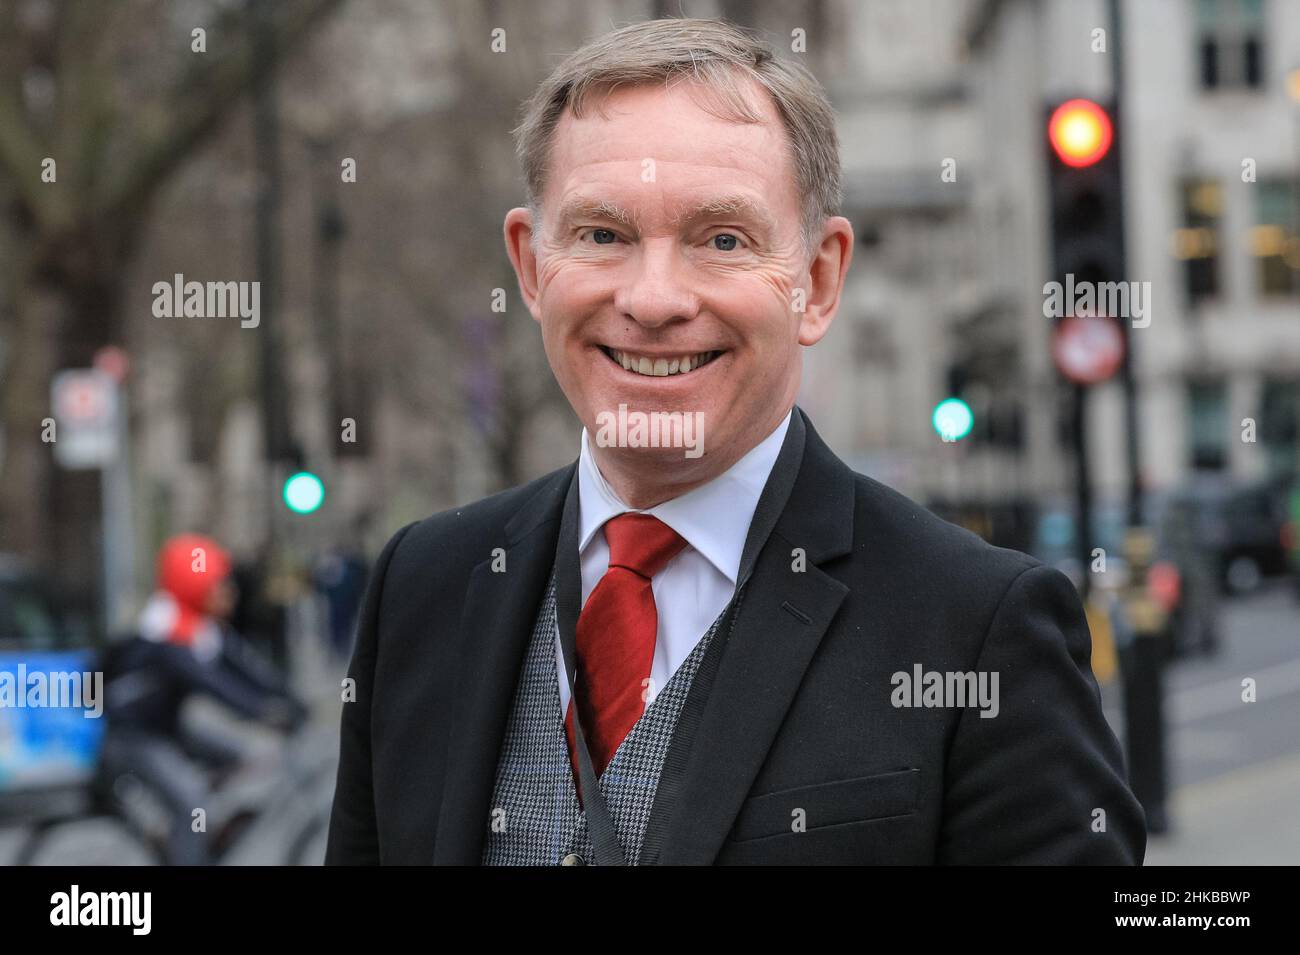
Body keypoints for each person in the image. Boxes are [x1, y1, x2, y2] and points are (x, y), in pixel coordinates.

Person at [326, 18, 1146, 865]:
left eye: (722, 239)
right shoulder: (421, 586)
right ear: (532, 268)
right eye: (603, 235)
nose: (652, 300)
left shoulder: (977, 625)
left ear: (818, 281)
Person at [100, 533, 307, 865]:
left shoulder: (203, 627)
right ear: (193, 586)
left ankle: (197, 830)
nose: (230, 594)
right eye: (219, 586)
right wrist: (261, 712)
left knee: (244, 757)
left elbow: (249, 671)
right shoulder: (165, 632)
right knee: (192, 802)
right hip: (134, 737)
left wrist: (292, 699)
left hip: (170, 725)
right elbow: (214, 684)